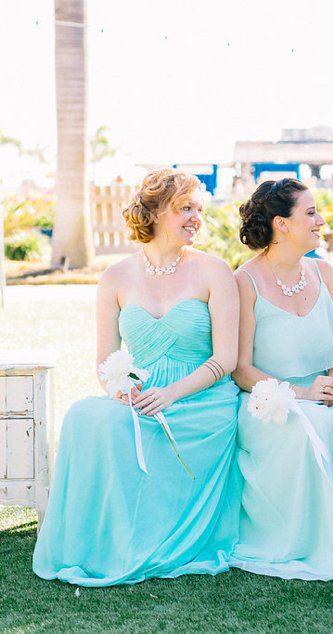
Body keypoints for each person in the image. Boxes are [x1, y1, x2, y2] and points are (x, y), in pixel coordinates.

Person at [33, 168, 241, 586]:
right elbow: (105, 361)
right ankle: (100, 540)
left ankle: (159, 538)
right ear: (156, 212)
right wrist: (122, 390)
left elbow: (226, 359)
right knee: (84, 417)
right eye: (186, 208)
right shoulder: (114, 278)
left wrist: (171, 394)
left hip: (202, 399)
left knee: (186, 426)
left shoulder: (214, 271)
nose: (197, 217)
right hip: (142, 399)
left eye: (200, 209)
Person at [229, 179, 333, 580]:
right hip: (271, 400)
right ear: (282, 224)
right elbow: (241, 368)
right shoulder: (245, 281)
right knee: (304, 425)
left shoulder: (323, 271)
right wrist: (302, 394)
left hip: (328, 394)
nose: (320, 221)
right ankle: (305, 543)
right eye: (311, 213)